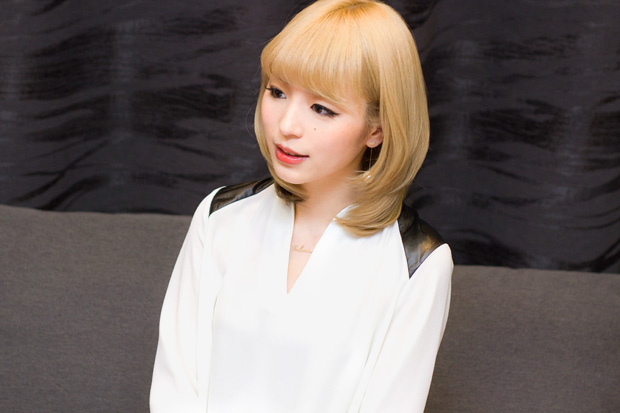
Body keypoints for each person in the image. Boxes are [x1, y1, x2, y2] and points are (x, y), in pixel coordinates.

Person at [150, 0, 453, 411]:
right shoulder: (220, 217)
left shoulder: (417, 262)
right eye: (277, 92)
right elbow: (175, 391)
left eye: (322, 108)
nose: (287, 125)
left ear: (377, 129)